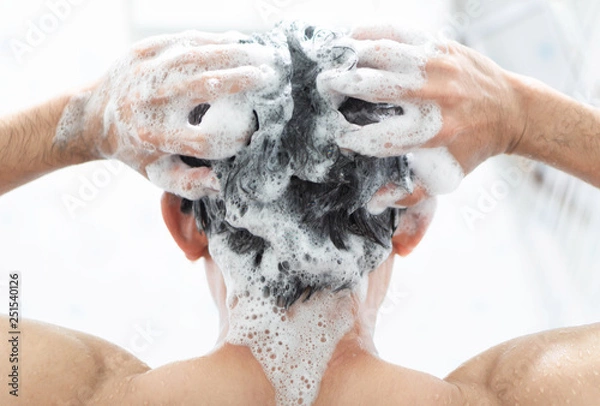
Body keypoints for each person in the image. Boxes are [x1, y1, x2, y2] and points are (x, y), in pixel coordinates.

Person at [1, 25, 599, 405]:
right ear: (413, 224)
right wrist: (521, 114)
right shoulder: (540, 391)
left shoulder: (50, 386)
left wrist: (80, 125)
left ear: (184, 225)